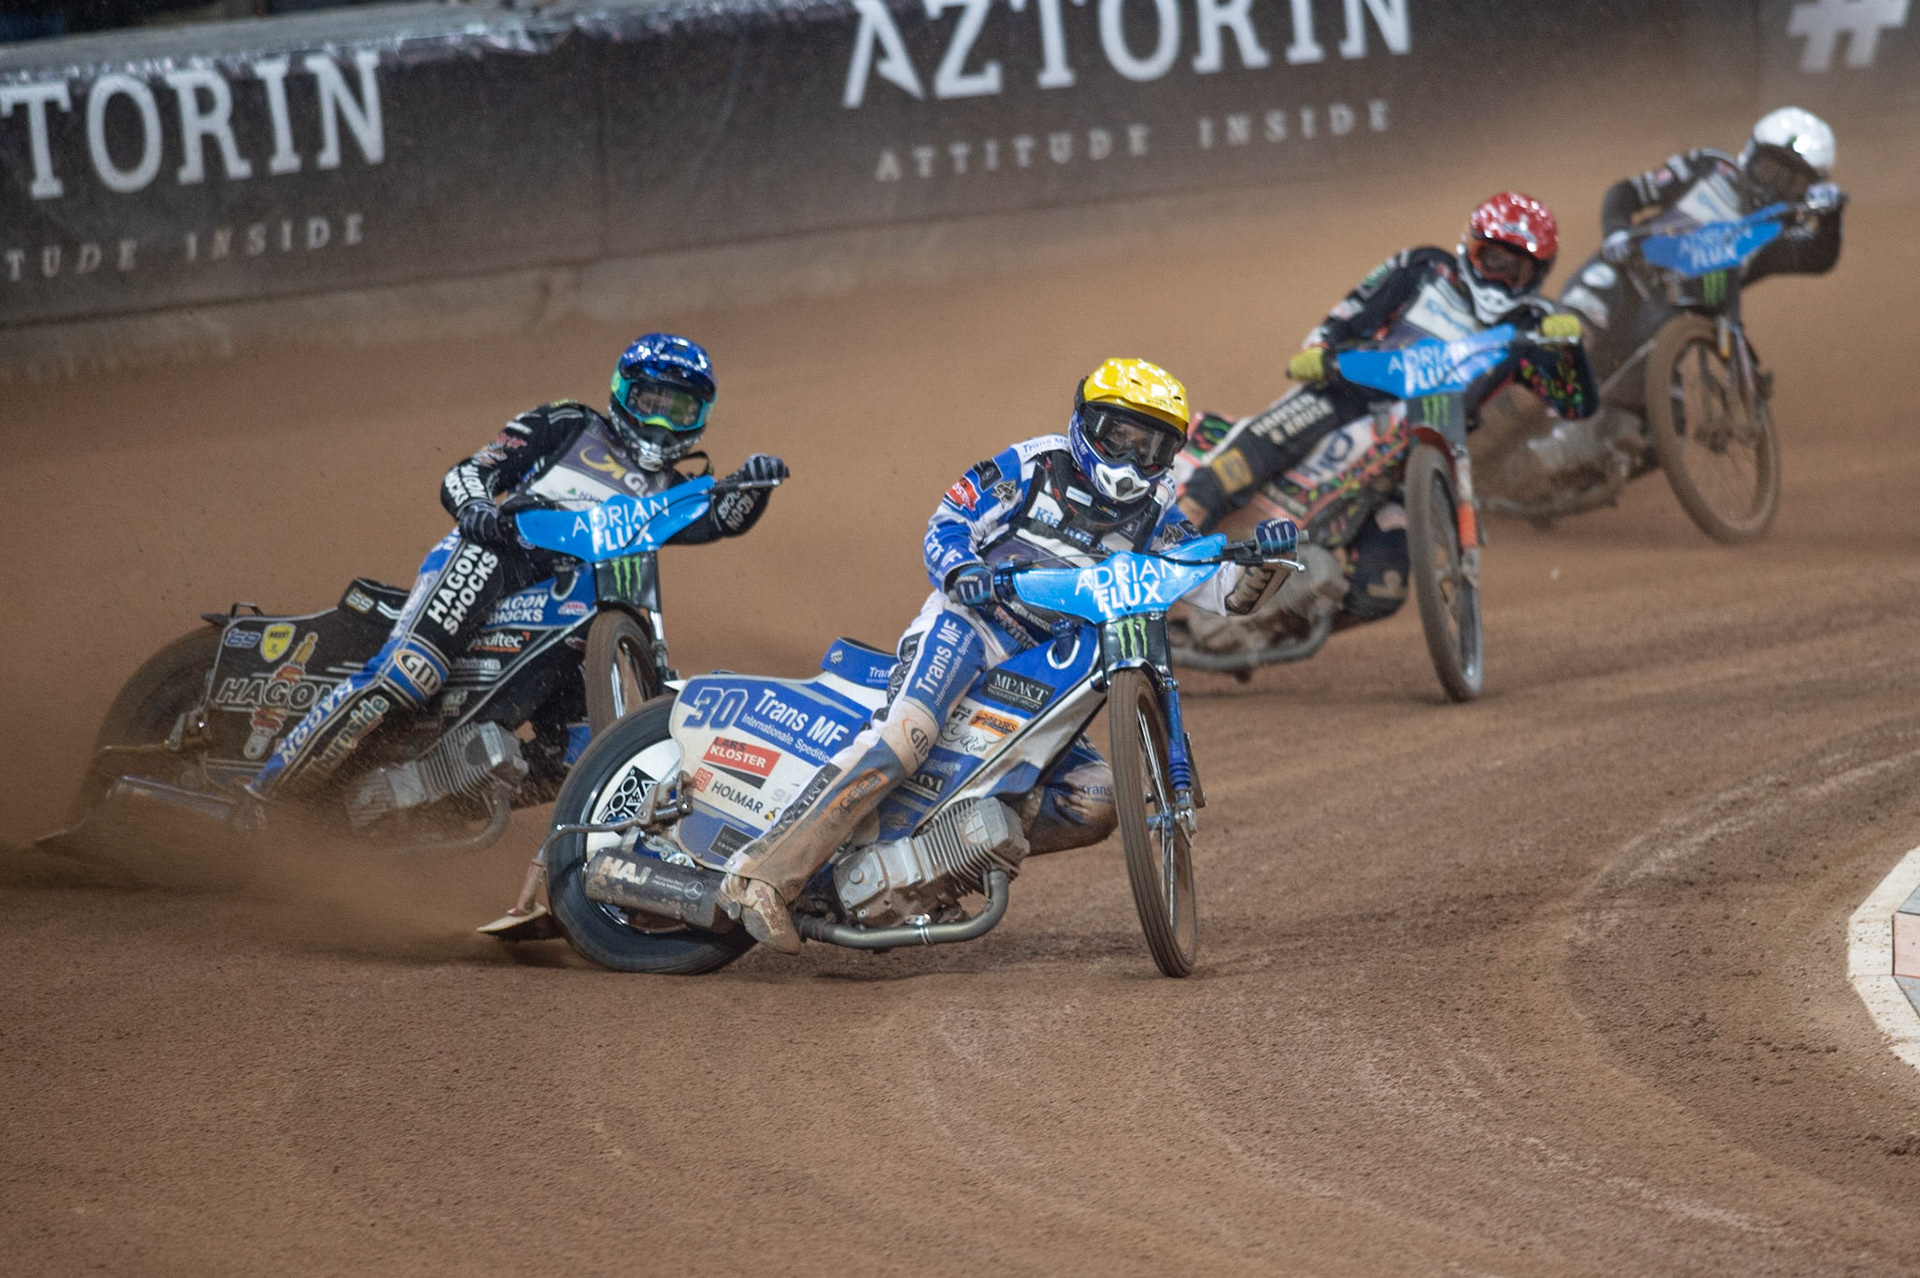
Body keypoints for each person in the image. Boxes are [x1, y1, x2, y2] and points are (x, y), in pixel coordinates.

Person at [715, 357, 1297, 953]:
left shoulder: (1158, 515)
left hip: (1046, 670)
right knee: (907, 735)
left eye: (1150, 447)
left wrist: (1268, 562)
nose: (1130, 461)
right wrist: (962, 569)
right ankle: (760, 875)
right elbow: (949, 521)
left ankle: (944, 858)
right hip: (972, 627)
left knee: (1096, 798)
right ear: (1084, 423)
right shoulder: (1033, 464)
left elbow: (1222, 589)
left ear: (1170, 456)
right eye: (1118, 437)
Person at [247, 332, 787, 801]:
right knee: (409, 675)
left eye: (680, 410)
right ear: (624, 394)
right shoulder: (569, 423)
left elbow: (719, 518)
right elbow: (469, 471)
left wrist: (754, 484)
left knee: (579, 759)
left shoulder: (670, 490)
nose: (662, 422)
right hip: (494, 556)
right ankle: (265, 796)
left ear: (702, 417)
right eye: (652, 402)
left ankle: (464, 797)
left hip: (574, 606)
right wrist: (477, 508)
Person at [1175, 192, 1596, 640]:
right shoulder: (1425, 268)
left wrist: (1569, 351)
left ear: (1539, 274)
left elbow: (1574, 404)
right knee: (1233, 470)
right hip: (1347, 395)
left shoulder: (1535, 323)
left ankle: (1264, 632)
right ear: (1471, 248)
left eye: (1517, 268)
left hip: (1417, 452)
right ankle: (1161, 559)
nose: (1501, 275)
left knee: (1381, 591)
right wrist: (1319, 350)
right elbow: (1354, 310)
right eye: (1491, 258)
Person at [1560, 107, 1845, 380]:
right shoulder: (1709, 167)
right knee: (1568, 333)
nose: (1772, 188)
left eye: (1791, 185)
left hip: (1673, 318)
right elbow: (1627, 192)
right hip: (1626, 274)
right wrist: (1616, 231)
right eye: (1769, 171)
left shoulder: (1777, 231)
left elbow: (1818, 257)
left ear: (1809, 190)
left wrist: (1832, 216)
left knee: (1659, 410)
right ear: (1751, 154)